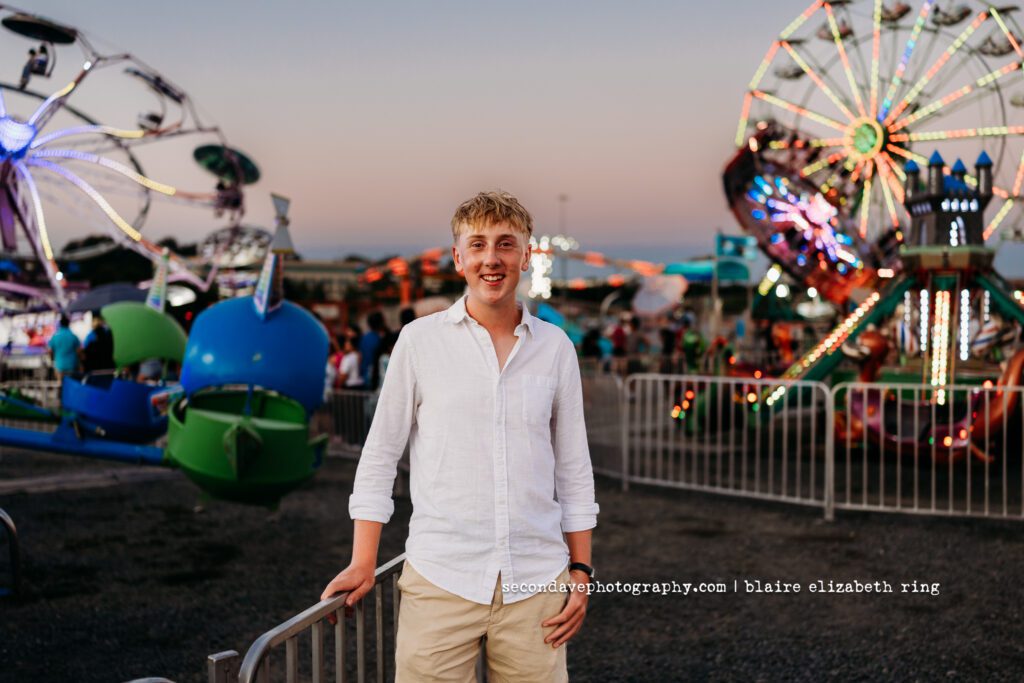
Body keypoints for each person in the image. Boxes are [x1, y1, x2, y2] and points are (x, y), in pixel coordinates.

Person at [321, 190, 599, 681]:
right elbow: (381, 454)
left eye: (506, 244)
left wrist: (581, 574)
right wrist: (363, 561)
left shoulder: (556, 349)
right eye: (478, 245)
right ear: (458, 258)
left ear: (526, 256)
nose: (491, 258)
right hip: (441, 578)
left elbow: (574, 468)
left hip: (537, 582)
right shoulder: (418, 341)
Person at [359, 311, 388, 389]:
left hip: (365, 374)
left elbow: (361, 357)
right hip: (377, 376)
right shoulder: (381, 339)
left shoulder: (364, 338)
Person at [48, 315, 80, 380]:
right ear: (68, 324)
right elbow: (78, 351)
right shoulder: (73, 336)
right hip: (72, 365)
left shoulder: (55, 337)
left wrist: (52, 359)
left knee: (61, 385)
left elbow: (50, 351)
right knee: (71, 385)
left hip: (59, 365)